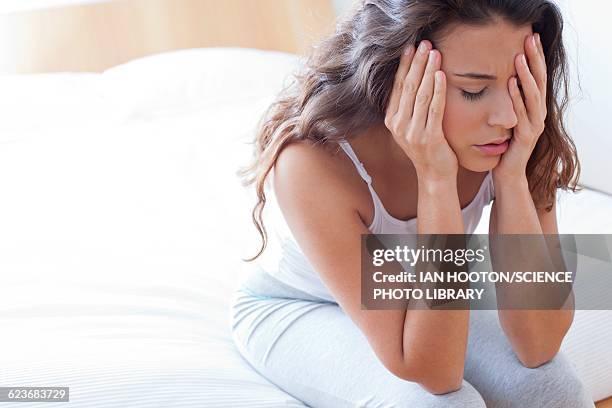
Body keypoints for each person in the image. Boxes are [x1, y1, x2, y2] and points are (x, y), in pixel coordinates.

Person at [230, 0, 594, 406]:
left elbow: (539, 344)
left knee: (550, 388)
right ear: (401, 76)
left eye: (519, 82)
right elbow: (435, 374)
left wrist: (511, 178)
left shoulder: (518, 132)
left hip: (421, 291)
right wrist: (436, 179)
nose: (507, 116)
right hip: (300, 306)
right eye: (473, 90)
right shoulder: (313, 163)